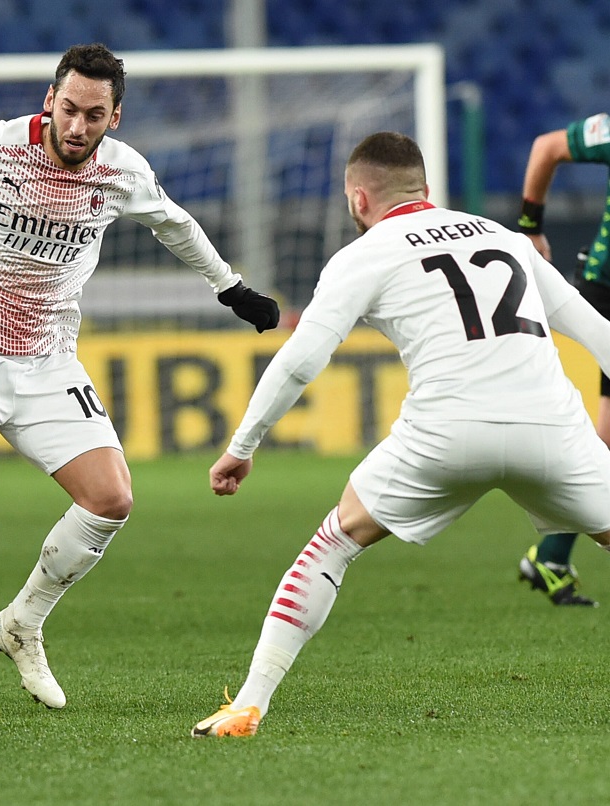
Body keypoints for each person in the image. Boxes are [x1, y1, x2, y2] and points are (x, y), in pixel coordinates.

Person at [0, 43, 280, 717]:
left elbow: (176, 225)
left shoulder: (123, 173)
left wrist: (231, 289)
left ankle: (22, 621)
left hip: (47, 357)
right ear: (48, 102)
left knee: (112, 499)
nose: (78, 125)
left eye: (94, 114)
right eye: (67, 109)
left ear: (115, 117)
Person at [192, 131, 610, 739]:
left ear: (359, 200)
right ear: (428, 189)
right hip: (551, 428)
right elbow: (597, 333)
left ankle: (248, 706)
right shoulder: (505, 238)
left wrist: (242, 445)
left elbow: (301, 359)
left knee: (333, 544)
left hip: (446, 434)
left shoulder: (363, 254)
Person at [511, 116, 610, 606]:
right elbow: (546, 146)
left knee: (606, 435)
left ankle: (549, 556)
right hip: (606, 289)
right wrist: (530, 227)